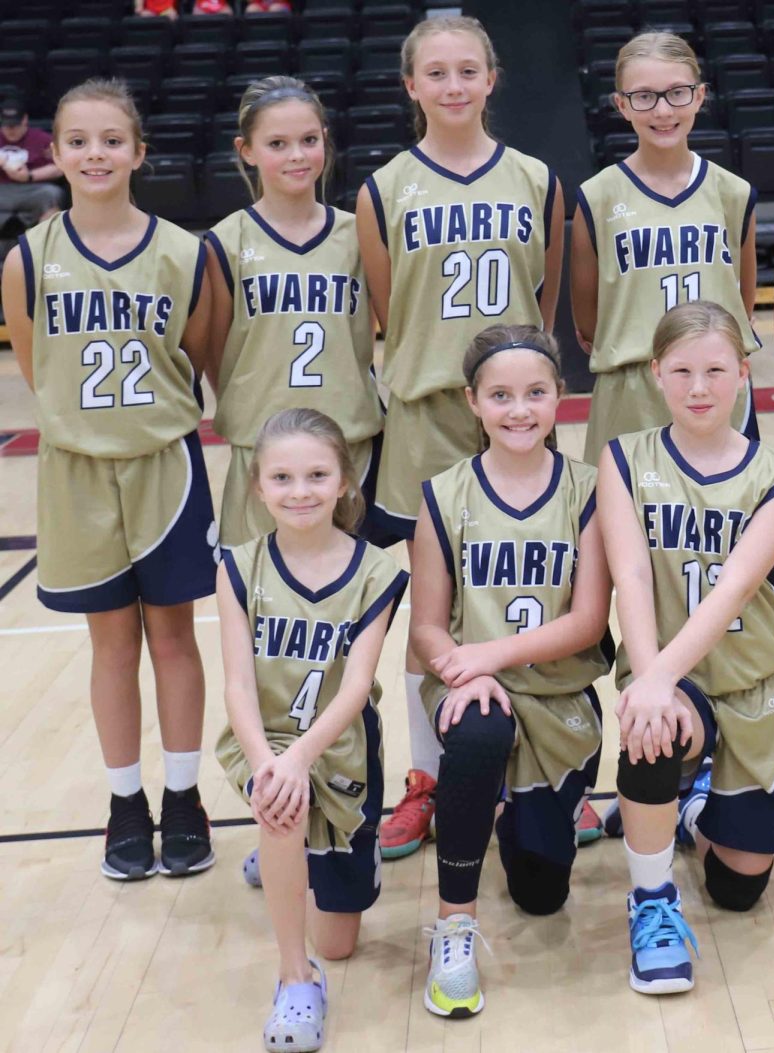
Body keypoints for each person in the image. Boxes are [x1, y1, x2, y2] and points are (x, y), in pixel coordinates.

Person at [357, 16, 570, 860]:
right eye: (435, 73)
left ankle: (544, 760)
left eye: (467, 71)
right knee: (429, 611)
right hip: (423, 417)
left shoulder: (535, 180)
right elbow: (387, 308)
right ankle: (428, 776)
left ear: (493, 79)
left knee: (529, 592)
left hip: (513, 415)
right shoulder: (382, 189)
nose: (452, 86)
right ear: (412, 86)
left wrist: (516, 393)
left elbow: (543, 304)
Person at [0, 78, 218, 880]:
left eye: (112, 140)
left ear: (139, 152)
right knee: (110, 643)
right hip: (77, 474)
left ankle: (186, 796)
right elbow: (35, 364)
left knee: (173, 635)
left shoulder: (183, 251)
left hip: (164, 464)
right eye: (79, 141)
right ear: (53, 154)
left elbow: (196, 352)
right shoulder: (29, 258)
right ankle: (126, 803)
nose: (96, 153)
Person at [597, 301, 774, 995]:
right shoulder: (623, 458)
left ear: (745, 374)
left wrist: (657, 674)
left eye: (716, 370)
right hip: (669, 673)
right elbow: (629, 571)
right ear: (655, 373)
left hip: (753, 674)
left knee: (739, 886)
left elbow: (735, 588)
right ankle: (652, 898)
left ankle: (689, 806)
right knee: (651, 725)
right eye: (682, 370)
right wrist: (653, 678)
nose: (699, 387)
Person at [410, 325, 613, 1017]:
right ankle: (455, 927)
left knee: (541, 892)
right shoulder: (443, 494)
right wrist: (467, 672)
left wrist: (491, 654)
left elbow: (587, 622)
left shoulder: (589, 490)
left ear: (561, 396)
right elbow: (428, 625)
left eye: (534, 392)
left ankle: (507, 808)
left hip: (557, 694)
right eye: (500, 395)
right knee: (477, 731)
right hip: (473, 687)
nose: (518, 409)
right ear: (472, 401)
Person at [215, 409, 407, 1053]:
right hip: (264, 745)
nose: (300, 491)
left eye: (318, 474)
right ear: (258, 486)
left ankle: (292, 859)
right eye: (283, 477)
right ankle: (295, 979)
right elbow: (238, 685)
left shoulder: (378, 571)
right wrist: (270, 764)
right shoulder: (239, 566)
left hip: (339, 745)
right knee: (281, 811)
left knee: (342, 943)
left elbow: (356, 689)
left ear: (346, 482)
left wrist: (300, 757)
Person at [206, 76, 385, 550]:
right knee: (263, 601)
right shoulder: (225, 242)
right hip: (263, 449)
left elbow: (365, 332)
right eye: (278, 144)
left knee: (351, 600)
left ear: (325, 138)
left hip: (349, 442)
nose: (297, 155)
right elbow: (217, 352)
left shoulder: (358, 233)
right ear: (247, 150)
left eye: (309, 140)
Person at [572, 31, 760, 466]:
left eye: (677, 93)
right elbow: (588, 323)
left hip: (716, 388)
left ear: (700, 97)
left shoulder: (733, 193)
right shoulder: (596, 197)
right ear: (621, 104)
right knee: (622, 527)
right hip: (631, 390)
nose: (662, 110)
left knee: (723, 524)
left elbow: (741, 306)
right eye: (643, 96)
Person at [0, 98, 65, 237]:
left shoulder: (42, 139)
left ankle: (43, 245)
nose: (11, 130)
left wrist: (29, 175)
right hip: (2, 189)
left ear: (25, 120)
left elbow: (60, 166)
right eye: (7, 125)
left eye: (15, 125)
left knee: (52, 194)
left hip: (32, 189)